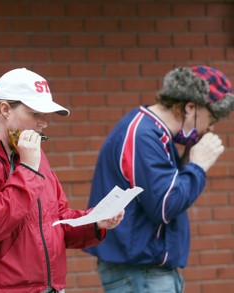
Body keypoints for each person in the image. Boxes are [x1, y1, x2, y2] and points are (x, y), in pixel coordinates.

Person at [0, 68, 124, 293]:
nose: (44, 123)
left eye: (46, 115)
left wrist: (95, 221)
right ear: (4, 109)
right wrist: (28, 168)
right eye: (36, 113)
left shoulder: (29, 152)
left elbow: (56, 220)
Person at [84, 66, 234, 293]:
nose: (211, 127)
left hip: (143, 273)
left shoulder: (151, 131)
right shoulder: (144, 135)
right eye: (211, 118)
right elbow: (165, 206)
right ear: (190, 107)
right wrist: (197, 166)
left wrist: (186, 161)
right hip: (140, 274)